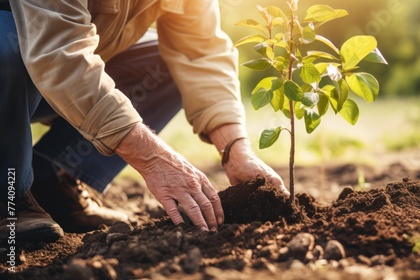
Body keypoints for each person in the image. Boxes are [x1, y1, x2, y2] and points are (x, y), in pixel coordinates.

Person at [0, 0, 287, 243]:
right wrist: (152, 158)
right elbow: (57, 53)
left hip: (56, 74)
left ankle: (54, 174)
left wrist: (235, 150)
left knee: (163, 63)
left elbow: (199, 53)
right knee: (6, 48)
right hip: (24, 64)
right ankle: (8, 194)